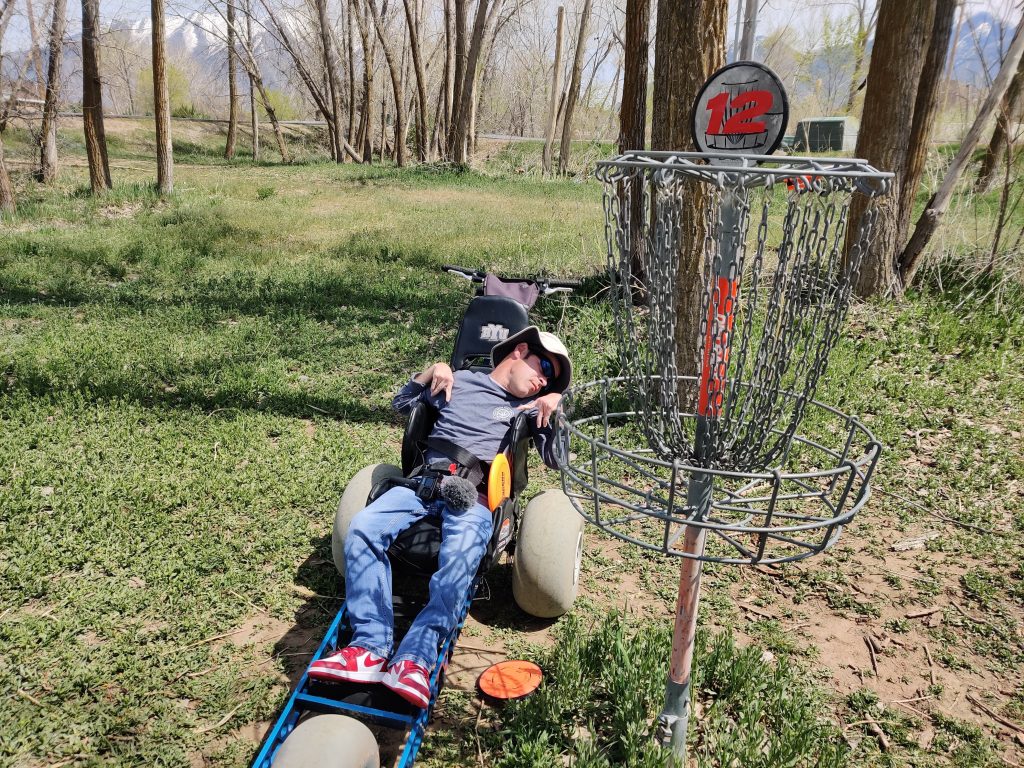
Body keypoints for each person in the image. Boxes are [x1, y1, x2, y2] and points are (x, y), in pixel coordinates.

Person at [307, 326, 572, 708]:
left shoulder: (526, 410)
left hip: (475, 498)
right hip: (421, 483)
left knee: (462, 553)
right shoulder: (459, 380)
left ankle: (416, 657)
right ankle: (367, 647)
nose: (543, 380)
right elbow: (403, 405)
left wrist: (554, 413)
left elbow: (556, 460)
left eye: (550, 380)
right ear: (520, 351)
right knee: (363, 527)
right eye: (543, 366)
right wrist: (429, 372)